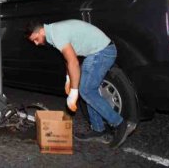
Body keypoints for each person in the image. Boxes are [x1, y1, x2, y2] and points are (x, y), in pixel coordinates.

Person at [25, 19, 136, 148]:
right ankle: (98, 129)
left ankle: (120, 123)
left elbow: (74, 62)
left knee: (86, 90)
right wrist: (68, 79)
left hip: (102, 52)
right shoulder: (53, 33)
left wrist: (73, 92)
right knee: (88, 89)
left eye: (36, 38)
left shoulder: (56, 33)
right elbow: (68, 58)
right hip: (98, 52)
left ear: (41, 31)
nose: (36, 43)